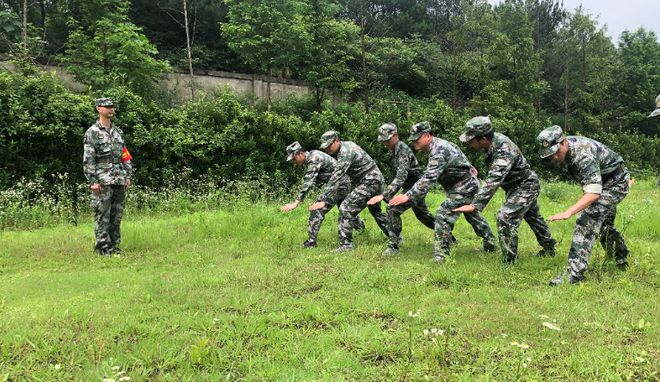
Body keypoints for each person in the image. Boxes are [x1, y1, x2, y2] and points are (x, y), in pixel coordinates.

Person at [452, 116, 556, 263]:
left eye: (471, 139)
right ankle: (549, 248)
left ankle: (509, 260)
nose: (469, 143)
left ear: (483, 139)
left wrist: (475, 205)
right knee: (534, 218)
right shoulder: (492, 143)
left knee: (505, 217)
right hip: (516, 187)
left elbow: (494, 179)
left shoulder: (504, 149)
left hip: (526, 185)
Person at [389, 122, 496, 263]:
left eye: (417, 139)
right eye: (413, 139)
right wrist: (469, 166)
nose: (414, 142)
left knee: (443, 213)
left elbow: (429, 178)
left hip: (464, 186)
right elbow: (456, 151)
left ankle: (442, 255)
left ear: (427, 135)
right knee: (472, 216)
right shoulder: (438, 145)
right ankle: (491, 244)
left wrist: (407, 195)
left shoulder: (438, 150)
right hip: (460, 185)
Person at [537, 125, 630, 285]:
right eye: (550, 155)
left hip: (616, 183)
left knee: (587, 219)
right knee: (603, 224)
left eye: (556, 152)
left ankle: (574, 274)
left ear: (564, 142)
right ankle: (620, 256)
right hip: (604, 182)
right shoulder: (568, 150)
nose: (554, 157)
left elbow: (593, 193)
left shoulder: (583, 154)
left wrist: (568, 212)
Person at [309, 131, 390, 251]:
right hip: (375, 180)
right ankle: (396, 237)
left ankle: (346, 245)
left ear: (336, 141)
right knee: (376, 211)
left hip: (370, 181)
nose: (327, 150)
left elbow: (336, 177)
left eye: (329, 146)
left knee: (346, 207)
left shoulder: (345, 152)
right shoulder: (346, 146)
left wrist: (324, 200)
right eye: (325, 148)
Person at [367, 123, 436, 257]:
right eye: (383, 140)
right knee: (423, 216)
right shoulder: (394, 150)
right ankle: (449, 237)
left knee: (393, 209)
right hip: (410, 186)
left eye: (387, 139)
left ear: (396, 136)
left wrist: (384, 195)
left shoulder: (402, 149)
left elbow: (401, 177)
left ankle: (394, 245)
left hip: (416, 186)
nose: (385, 142)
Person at [280, 141, 365, 248]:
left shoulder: (314, 158)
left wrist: (296, 203)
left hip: (339, 185)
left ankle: (311, 242)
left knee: (316, 209)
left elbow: (309, 181)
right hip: (342, 184)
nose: (293, 162)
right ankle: (361, 228)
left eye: (294, 158)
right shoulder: (313, 156)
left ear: (300, 153)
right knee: (344, 208)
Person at [83, 98, 133, 256]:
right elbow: (89, 158)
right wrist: (92, 181)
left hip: (119, 178)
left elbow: (124, 155)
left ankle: (114, 245)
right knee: (102, 214)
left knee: (116, 215)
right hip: (102, 179)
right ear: (99, 108)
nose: (111, 109)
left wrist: (128, 175)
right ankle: (103, 247)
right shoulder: (92, 132)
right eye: (107, 106)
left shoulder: (118, 132)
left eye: (112, 106)